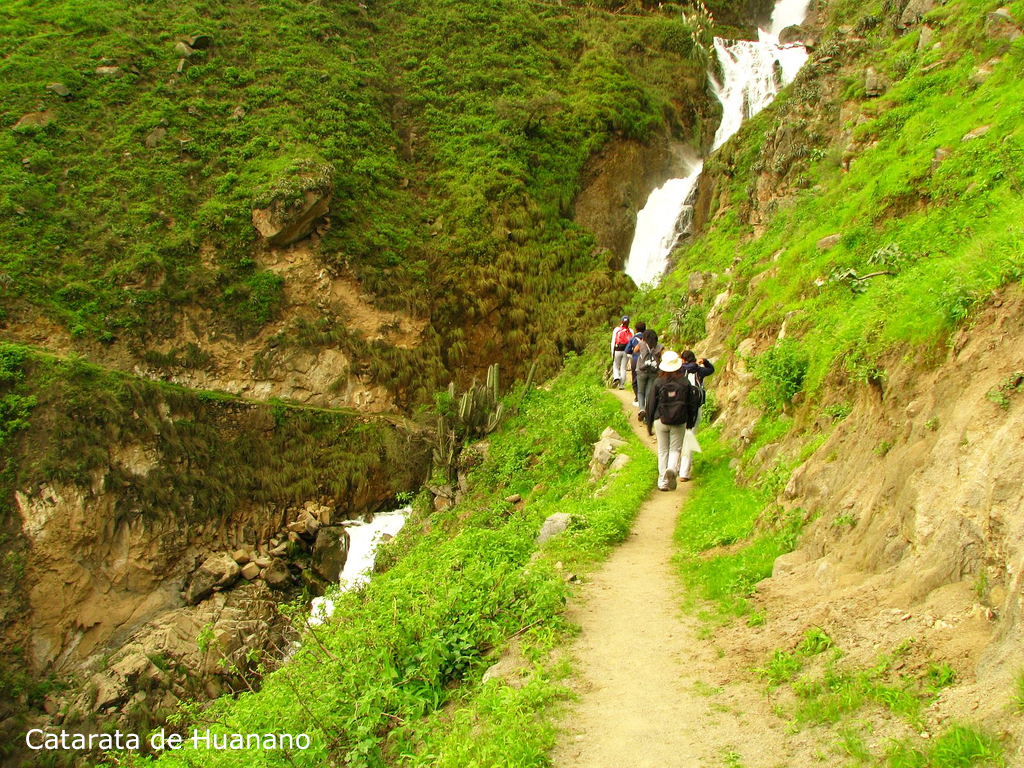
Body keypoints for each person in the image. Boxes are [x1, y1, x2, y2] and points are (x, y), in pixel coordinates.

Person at [645, 350, 687, 491]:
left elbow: (650, 404)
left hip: (660, 419)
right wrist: (691, 420)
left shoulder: (658, 382)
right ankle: (672, 469)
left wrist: (649, 423)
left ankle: (662, 482)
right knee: (675, 449)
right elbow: (692, 403)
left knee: (663, 450)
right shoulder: (684, 382)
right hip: (679, 420)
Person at [678, 350, 715, 482]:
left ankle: (674, 466)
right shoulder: (700, 370)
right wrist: (704, 361)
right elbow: (711, 369)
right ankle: (684, 473)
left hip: (680, 408)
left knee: (678, 438)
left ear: (683, 360)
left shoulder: (680, 370)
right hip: (696, 409)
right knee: (689, 437)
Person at [635, 329, 664, 422]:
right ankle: (647, 414)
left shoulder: (642, 344)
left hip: (641, 371)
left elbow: (635, 350)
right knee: (649, 394)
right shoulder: (660, 346)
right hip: (653, 372)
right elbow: (664, 356)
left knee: (640, 392)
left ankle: (641, 409)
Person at [624, 321, 646, 404]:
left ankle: (637, 397)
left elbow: (627, 350)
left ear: (636, 330)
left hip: (636, 360)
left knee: (635, 380)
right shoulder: (648, 338)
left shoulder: (633, 339)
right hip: (646, 360)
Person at [610, 316, 632, 389]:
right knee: (623, 368)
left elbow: (613, 341)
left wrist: (612, 352)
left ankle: (616, 377)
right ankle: (621, 385)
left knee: (616, 365)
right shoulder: (631, 331)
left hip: (617, 350)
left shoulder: (617, 329)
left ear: (622, 322)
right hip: (626, 351)